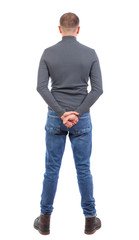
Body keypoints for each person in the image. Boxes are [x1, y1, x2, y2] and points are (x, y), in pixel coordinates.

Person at [33, 12, 103, 235]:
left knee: (51, 169)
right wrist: (78, 112)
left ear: (60, 29)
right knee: (84, 169)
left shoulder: (48, 53)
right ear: (78, 29)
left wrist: (62, 113)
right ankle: (90, 220)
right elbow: (98, 89)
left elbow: (42, 87)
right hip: (82, 119)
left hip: (55, 117)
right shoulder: (90, 54)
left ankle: (44, 222)